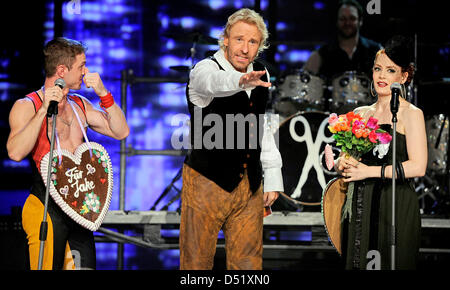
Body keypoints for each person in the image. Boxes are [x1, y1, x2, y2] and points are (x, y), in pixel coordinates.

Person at [6, 37, 129, 270]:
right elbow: (15, 152)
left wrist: (104, 93)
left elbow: (121, 131)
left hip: (79, 211)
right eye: (81, 66)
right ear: (62, 70)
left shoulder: (80, 105)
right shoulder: (27, 106)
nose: (86, 71)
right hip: (45, 209)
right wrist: (44, 110)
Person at [179, 8, 284, 270]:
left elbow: (262, 126)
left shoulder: (261, 72)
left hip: (249, 185)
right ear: (225, 38)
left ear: (260, 45)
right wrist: (240, 80)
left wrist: (272, 176)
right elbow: (214, 82)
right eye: (239, 39)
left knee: (248, 264)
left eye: (252, 42)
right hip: (206, 182)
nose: (245, 48)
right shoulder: (204, 69)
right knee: (196, 264)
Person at [334, 35, 426, 269]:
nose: (382, 76)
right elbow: (350, 159)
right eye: (378, 69)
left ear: (404, 76)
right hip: (361, 205)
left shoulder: (411, 113)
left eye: (390, 70)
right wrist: (341, 163)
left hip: (395, 203)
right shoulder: (361, 113)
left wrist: (369, 172)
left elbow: (418, 166)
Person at [304, 0, 381, 80]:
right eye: (343, 19)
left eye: (352, 18)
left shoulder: (376, 51)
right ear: (337, 22)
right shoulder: (320, 54)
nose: (347, 23)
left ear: (360, 21)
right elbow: (304, 83)